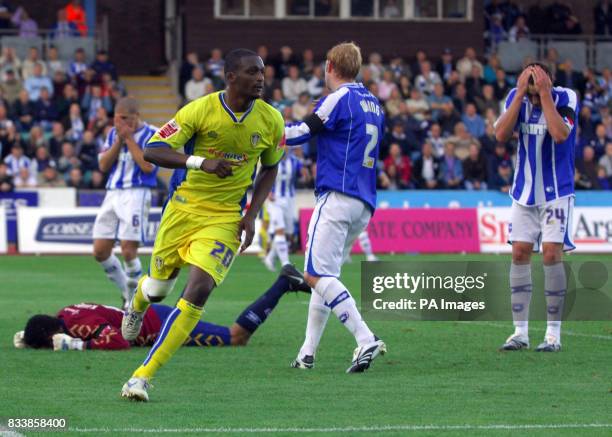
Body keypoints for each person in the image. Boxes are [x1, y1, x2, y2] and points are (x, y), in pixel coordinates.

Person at [119, 49, 284, 402]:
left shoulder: (271, 120)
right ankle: (136, 303)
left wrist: (252, 213)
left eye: (262, 73)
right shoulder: (198, 109)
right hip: (182, 209)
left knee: (199, 289)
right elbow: (153, 149)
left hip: (225, 217)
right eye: (252, 72)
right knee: (158, 290)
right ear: (230, 77)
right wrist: (200, 162)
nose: (260, 79)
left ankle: (141, 376)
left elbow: (271, 166)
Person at [284, 42, 386, 373]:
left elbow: (302, 132)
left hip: (338, 195)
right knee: (326, 276)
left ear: (330, 65)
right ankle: (307, 353)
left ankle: (365, 337)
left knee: (314, 274)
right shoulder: (374, 103)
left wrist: (263, 135)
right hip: (364, 200)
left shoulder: (339, 98)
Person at [13, 266, 310, 351]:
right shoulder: (67, 313)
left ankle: (283, 283)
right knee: (192, 299)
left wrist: (75, 346)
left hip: (160, 326)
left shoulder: (75, 328)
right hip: (154, 316)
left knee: (236, 337)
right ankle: (204, 274)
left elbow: (119, 341)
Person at [494, 63, 578, 353]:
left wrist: (543, 95)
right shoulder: (515, 99)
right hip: (523, 192)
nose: (531, 92)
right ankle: (520, 333)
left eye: (534, 85)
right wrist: (518, 96)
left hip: (556, 192)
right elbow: (501, 135)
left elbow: (559, 134)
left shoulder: (566, 98)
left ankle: (553, 334)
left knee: (552, 254)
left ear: (547, 81)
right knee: (519, 253)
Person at [93, 97, 158, 309]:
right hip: (112, 193)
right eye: (116, 119)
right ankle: (126, 290)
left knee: (129, 251)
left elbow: (148, 167)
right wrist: (119, 141)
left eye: (124, 119)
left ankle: (133, 302)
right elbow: (103, 165)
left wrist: (129, 139)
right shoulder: (113, 134)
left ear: (136, 117)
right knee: (100, 251)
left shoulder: (152, 134)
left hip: (137, 194)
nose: (118, 124)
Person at [263, 150, 309, 272]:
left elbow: (304, 177)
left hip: (290, 200)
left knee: (288, 235)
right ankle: (286, 264)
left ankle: (270, 257)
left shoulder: (295, 161)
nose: (285, 147)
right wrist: (267, 192)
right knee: (280, 231)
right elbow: (263, 176)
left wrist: (305, 174)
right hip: (275, 200)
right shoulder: (272, 159)